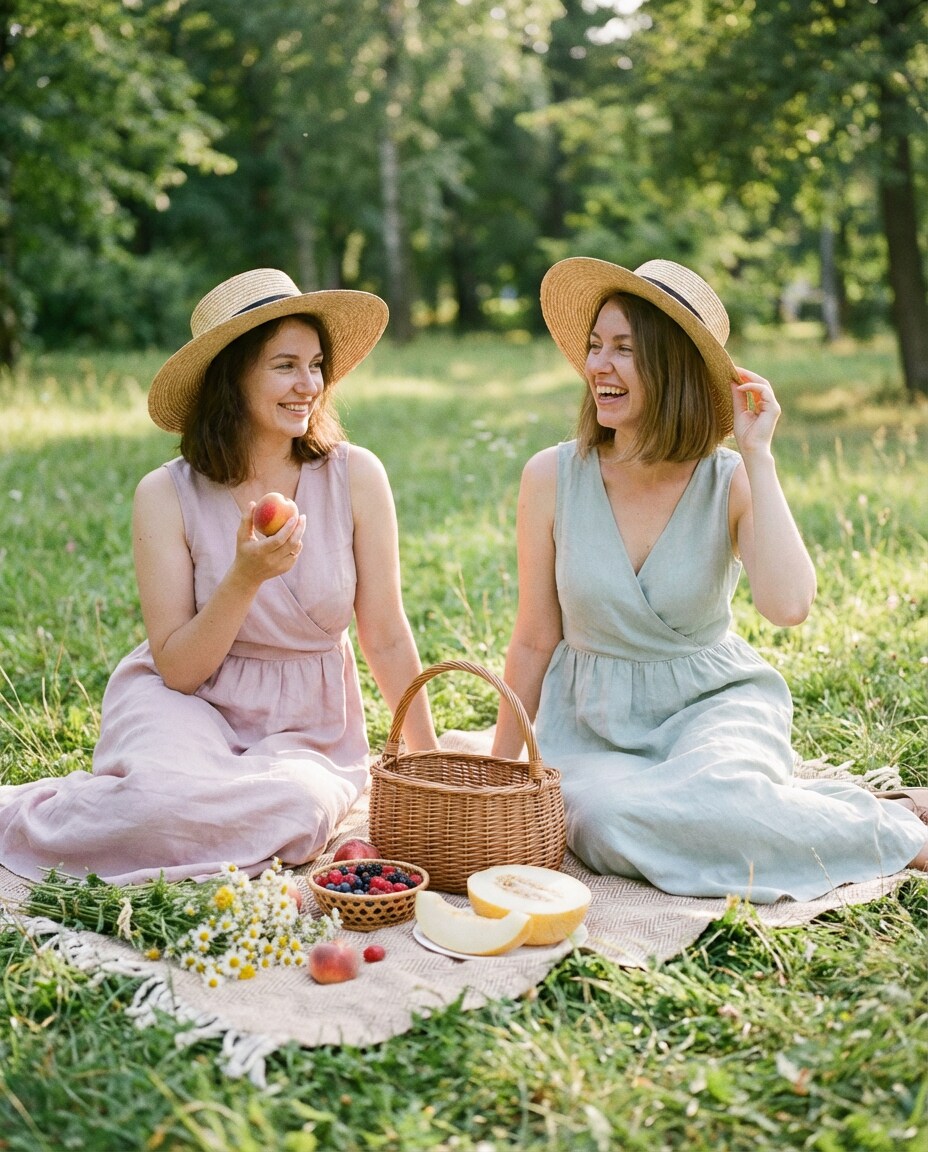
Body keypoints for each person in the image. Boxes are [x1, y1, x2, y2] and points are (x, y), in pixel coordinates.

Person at [491, 256, 927, 902]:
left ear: (672, 368)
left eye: (624, 351)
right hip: (588, 722)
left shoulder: (727, 480)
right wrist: (495, 777)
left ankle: (898, 837)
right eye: (594, 347)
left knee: (725, 795)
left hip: (712, 705)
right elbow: (533, 639)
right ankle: (864, 814)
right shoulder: (551, 478)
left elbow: (788, 605)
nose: (598, 367)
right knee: (605, 822)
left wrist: (758, 453)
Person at [0, 268, 436, 885]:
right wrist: (243, 578)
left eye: (315, 365)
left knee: (299, 808)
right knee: (152, 806)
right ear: (232, 377)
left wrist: (429, 758)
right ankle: (46, 815)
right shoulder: (165, 494)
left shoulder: (354, 476)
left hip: (306, 725)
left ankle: (183, 816)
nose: (308, 384)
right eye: (285, 365)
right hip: (184, 703)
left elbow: (386, 633)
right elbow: (177, 668)